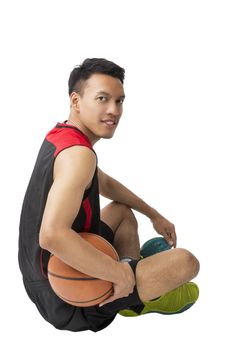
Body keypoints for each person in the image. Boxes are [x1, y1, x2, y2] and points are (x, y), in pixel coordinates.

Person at [18, 58, 200, 332]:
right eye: (102, 98)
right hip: (68, 299)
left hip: (37, 279)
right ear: (76, 101)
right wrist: (119, 274)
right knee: (187, 263)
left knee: (122, 212)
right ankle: (138, 297)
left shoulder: (63, 136)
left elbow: (105, 183)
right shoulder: (79, 156)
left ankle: (132, 276)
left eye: (119, 101)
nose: (113, 110)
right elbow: (51, 235)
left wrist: (153, 214)